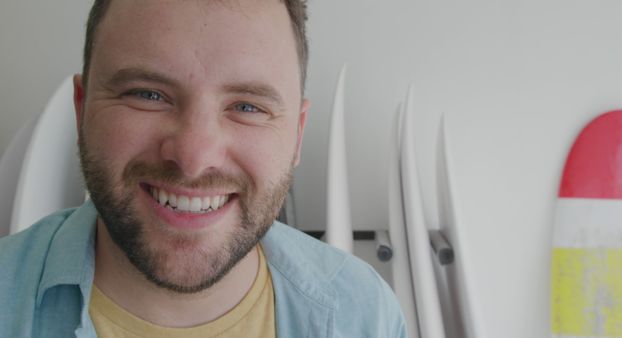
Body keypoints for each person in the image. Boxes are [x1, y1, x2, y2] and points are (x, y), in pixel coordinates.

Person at [0, 0, 407, 337]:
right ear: (81, 109)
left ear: (296, 136)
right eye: (148, 94)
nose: (194, 159)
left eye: (247, 106)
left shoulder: (364, 315)